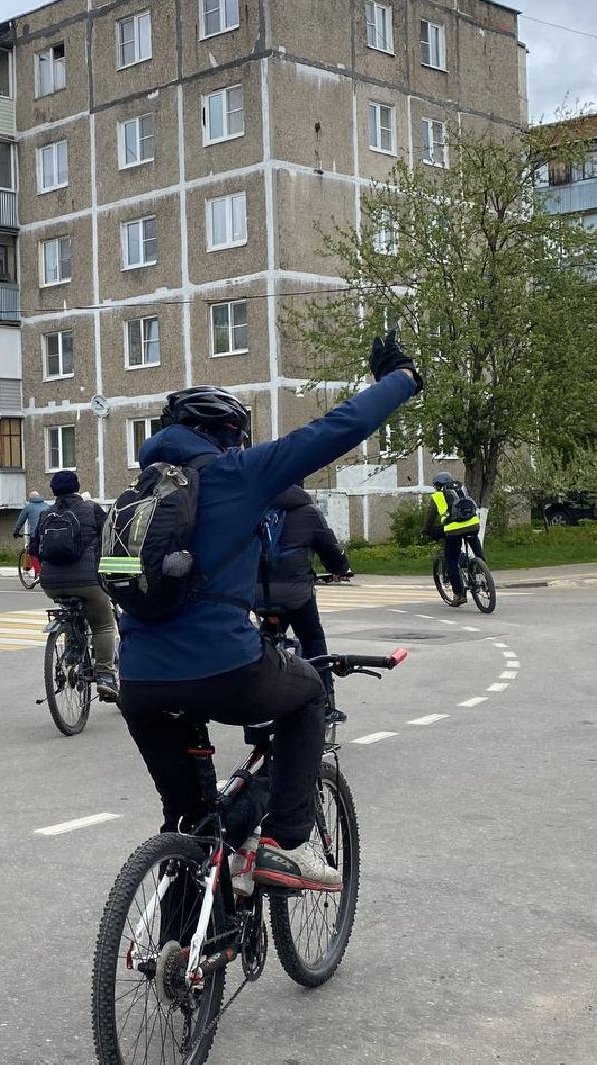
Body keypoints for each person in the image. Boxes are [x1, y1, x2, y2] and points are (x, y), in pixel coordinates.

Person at [117, 334, 420, 892]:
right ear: (228, 434)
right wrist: (398, 380)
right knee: (307, 695)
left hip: (138, 682)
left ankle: (181, 960)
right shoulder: (237, 473)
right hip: (222, 667)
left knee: (189, 821)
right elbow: (334, 430)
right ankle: (281, 843)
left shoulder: (137, 496)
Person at [255, 484, 353, 723]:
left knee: (262, 647)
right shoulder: (308, 512)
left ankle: (257, 702)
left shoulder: (255, 509)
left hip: (259, 594)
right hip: (296, 595)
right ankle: (325, 705)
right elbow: (329, 548)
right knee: (313, 640)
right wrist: (340, 569)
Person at [33, 471, 118, 700]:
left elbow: (34, 550)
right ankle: (106, 676)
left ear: (53, 491)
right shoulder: (91, 509)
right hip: (88, 581)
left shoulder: (45, 515)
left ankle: (72, 653)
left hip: (51, 584)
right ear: (77, 487)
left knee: (71, 611)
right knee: (103, 625)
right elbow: (110, 539)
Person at [422, 471, 484, 605]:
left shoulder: (437, 496)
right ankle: (482, 576)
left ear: (438, 485)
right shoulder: (462, 489)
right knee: (477, 550)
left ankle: (458, 594)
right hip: (473, 524)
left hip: (453, 531)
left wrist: (426, 530)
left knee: (451, 561)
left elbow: (430, 516)